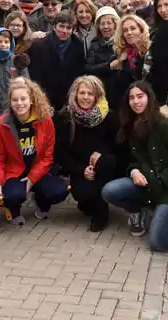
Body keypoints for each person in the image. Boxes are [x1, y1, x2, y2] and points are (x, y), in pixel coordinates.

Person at [101, 81, 168, 250]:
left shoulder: (164, 125)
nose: (136, 101)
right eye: (131, 98)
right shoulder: (131, 126)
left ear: (149, 97)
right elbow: (133, 158)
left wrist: (164, 179)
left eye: (140, 96)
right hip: (148, 185)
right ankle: (139, 212)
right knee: (109, 191)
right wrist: (134, 171)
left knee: (158, 242)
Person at [0, 79, 69, 225]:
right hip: (14, 171)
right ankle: (14, 210)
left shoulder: (45, 120)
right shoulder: (1, 124)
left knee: (59, 192)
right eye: (15, 100)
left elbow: (47, 157)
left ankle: (41, 202)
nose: (19, 103)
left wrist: (32, 179)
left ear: (31, 100)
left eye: (23, 99)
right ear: (10, 102)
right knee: (14, 195)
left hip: (39, 170)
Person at [57, 76, 119, 232]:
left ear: (97, 96)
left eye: (90, 94)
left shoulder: (108, 115)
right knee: (84, 195)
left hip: (103, 166)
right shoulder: (66, 116)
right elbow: (61, 153)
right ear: (75, 94)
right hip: (79, 167)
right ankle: (88, 203)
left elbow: (117, 142)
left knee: (107, 162)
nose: (85, 97)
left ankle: (101, 214)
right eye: (82, 93)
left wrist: (101, 152)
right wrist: (81, 170)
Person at [29, 11, 86, 114]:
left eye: (68, 28)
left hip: (67, 97)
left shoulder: (78, 46)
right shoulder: (39, 45)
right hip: (44, 95)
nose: (64, 31)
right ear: (54, 26)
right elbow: (35, 74)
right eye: (61, 26)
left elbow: (79, 73)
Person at [108, 14, 150, 111]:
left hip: (148, 107)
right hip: (126, 109)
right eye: (125, 30)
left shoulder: (150, 52)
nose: (129, 33)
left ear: (141, 30)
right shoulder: (120, 55)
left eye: (133, 28)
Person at [85, 6, 120, 92]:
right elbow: (89, 69)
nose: (105, 26)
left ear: (115, 25)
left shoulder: (122, 43)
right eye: (102, 24)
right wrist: (109, 66)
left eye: (109, 23)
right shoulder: (94, 44)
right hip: (100, 89)